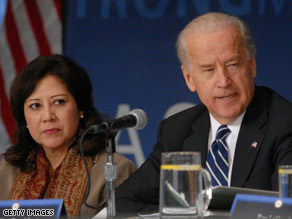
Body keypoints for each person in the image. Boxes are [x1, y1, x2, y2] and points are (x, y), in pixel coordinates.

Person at [114, 12, 292, 216]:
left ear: (252, 65)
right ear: (189, 78)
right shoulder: (177, 130)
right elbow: (124, 201)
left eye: (233, 65)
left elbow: (287, 208)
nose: (223, 81)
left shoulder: (285, 124)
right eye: (208, 70)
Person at [0, 54, 136, 218]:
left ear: (81, 109)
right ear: (24, 118)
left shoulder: (115, 170)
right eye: (35, 106)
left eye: (59, 102)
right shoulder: (6, 172)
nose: (48, 116)